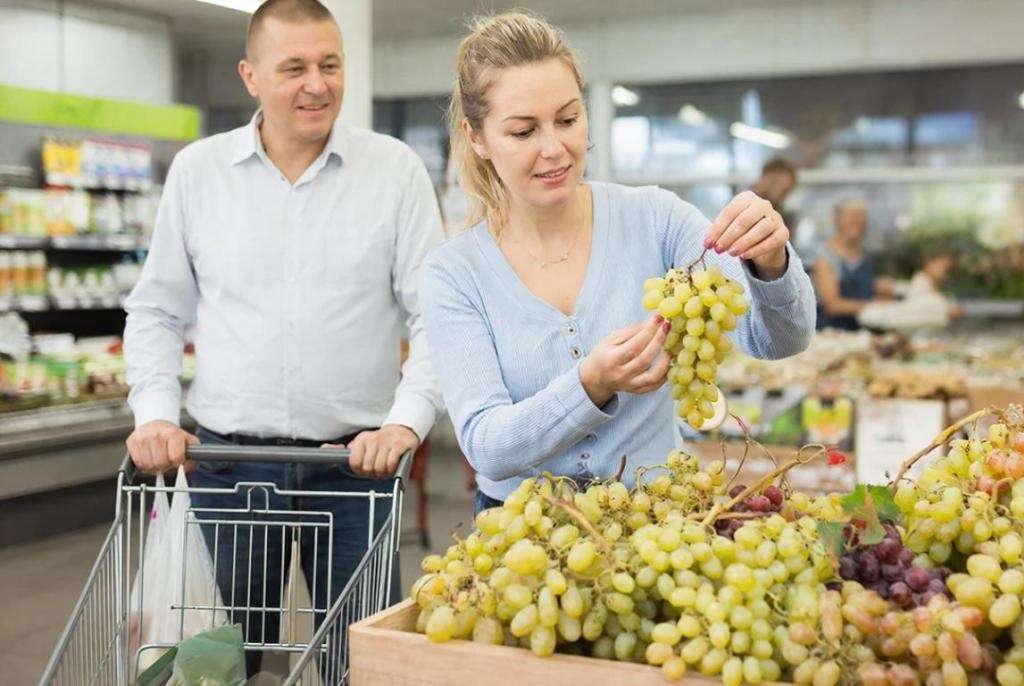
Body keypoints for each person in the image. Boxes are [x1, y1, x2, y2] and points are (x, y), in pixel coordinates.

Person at [122, 0, 444, 673]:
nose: (316, 84)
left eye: (330, 64)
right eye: (293, 67)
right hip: (229, 468)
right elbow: (156, 311)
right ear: (250, 75)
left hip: (359, 469)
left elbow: (438, 317)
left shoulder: (394, 172)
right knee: (219, 665)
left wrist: (406, 425)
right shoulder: (198, 174)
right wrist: (153, 415)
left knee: (358, 664)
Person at [418, 12, 817, 514]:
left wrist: (771, 261)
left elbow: (779, 339)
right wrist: (590, 385)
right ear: (477, 138)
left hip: (657, 522)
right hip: (523, 540)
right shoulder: (454, 274)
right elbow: (487, 446)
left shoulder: (657, 217)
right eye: (523, 132)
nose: (554, 148)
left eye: (568, 119)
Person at [814, 198, 895, 330]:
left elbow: (861, 286)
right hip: (833, 332)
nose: (859, 221)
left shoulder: (866, 255)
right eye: (852, 216)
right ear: (837, 221)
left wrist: (878, 287)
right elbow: (832, 305)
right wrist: (876, 305)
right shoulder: (826, 258)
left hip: (865, 329)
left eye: (862, 217)